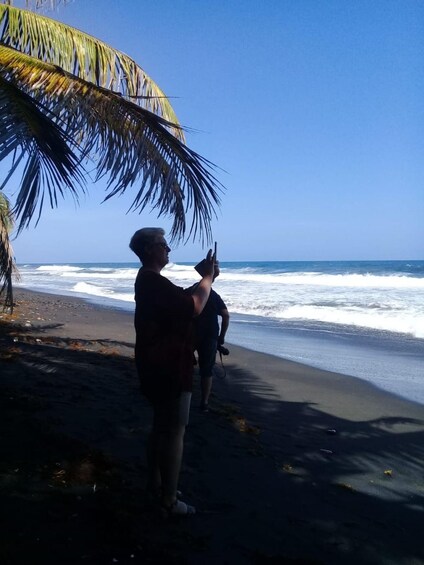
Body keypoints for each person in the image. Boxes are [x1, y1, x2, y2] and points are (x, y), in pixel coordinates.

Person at [129, 227, 215, 517]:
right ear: (149, 249)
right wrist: (207, 279)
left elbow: (181, 298)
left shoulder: (149, 281)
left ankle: (156, 484)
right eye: (163, 245)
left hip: (155, 363)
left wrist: (204, 279)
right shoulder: (152, 281)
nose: (168, 250)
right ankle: (168, 499)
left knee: (160, 427)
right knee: (175, 431)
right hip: (169, 365)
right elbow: (194, 306)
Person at [190, 261, 230, 412]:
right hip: (210, 335)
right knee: (206, 370)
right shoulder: (213, 295)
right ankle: (204, 402)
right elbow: (226, 316)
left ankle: (183, 393)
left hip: (191, 333)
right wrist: (222, 337)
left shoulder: (193, 289)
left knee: (185, 364)